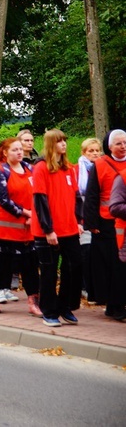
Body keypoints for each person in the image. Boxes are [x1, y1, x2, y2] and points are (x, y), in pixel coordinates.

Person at [0, 138, 41, 316]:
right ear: (5, 152)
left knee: (30, 266)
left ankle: (33, 301)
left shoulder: (30, 169)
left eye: (20, 149)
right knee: (1, 266)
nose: (19, 152)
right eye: (15, 150)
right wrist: (26, 213)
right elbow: (3, 200)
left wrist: (35, 214)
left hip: (28, 229)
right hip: (4, 230)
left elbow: (38, 194)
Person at [32, 129, 83, 327]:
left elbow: (77, 198)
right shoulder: (41, 168)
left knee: (74, 266)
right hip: (48, 230)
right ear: (51, 144)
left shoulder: (69, 169)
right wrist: (48, 230)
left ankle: (65, 306)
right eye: (60, 141)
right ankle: (49, 310)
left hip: (69, 228)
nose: (64, 144)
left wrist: (79, 221)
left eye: (65, 140)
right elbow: (40, 200)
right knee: (49, 271)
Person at [85, 129, 126, 321]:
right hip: (107, 223)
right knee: (113, 267)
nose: (123, 146)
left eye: (125, 142)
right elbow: (92, 195)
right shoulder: (99, 164)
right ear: (109, 147)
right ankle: (114, 305)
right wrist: (91, 223)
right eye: (118, 143)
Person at [76, 137, 102, 300]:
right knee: (85, 251)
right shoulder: (78, 169)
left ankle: (96, 288)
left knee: (97, 252)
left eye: (97, 150)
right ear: (84, 153)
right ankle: (84, 286)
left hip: (100, 214)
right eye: (90, 151)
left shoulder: (103, 167)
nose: (94, 153)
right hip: (83, 213)